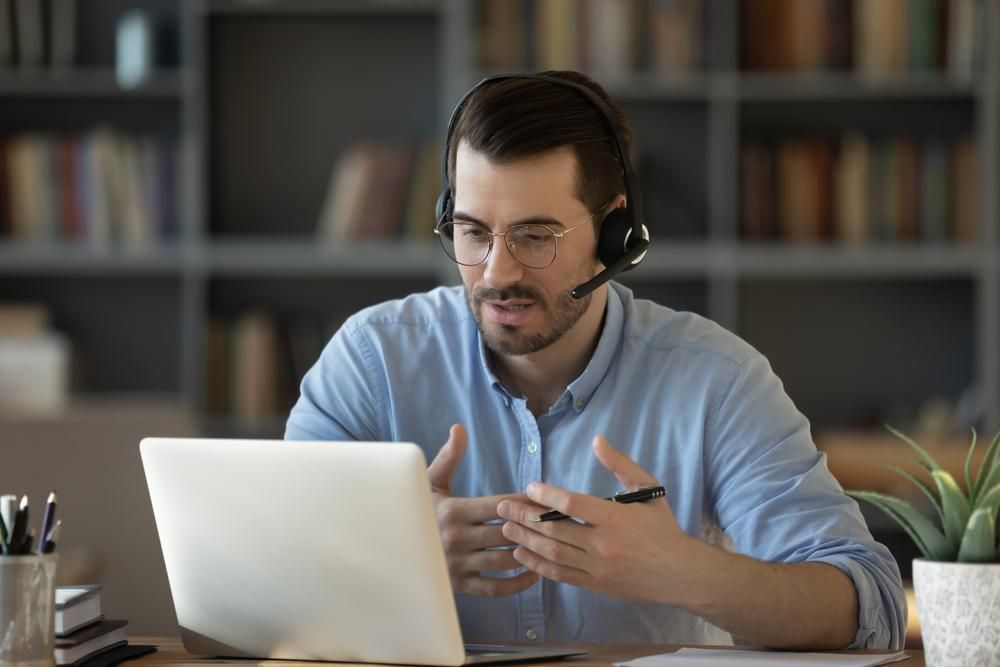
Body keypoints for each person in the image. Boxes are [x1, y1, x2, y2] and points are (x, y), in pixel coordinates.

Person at [285, 71, 905, 650]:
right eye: (473, 233)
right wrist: (393, 554)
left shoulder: (717, 381)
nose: (496, 273)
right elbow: (266, 568)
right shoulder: (371, 361)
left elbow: (871, 608)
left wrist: (685, 572)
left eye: (535, 236)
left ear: (616, 235)